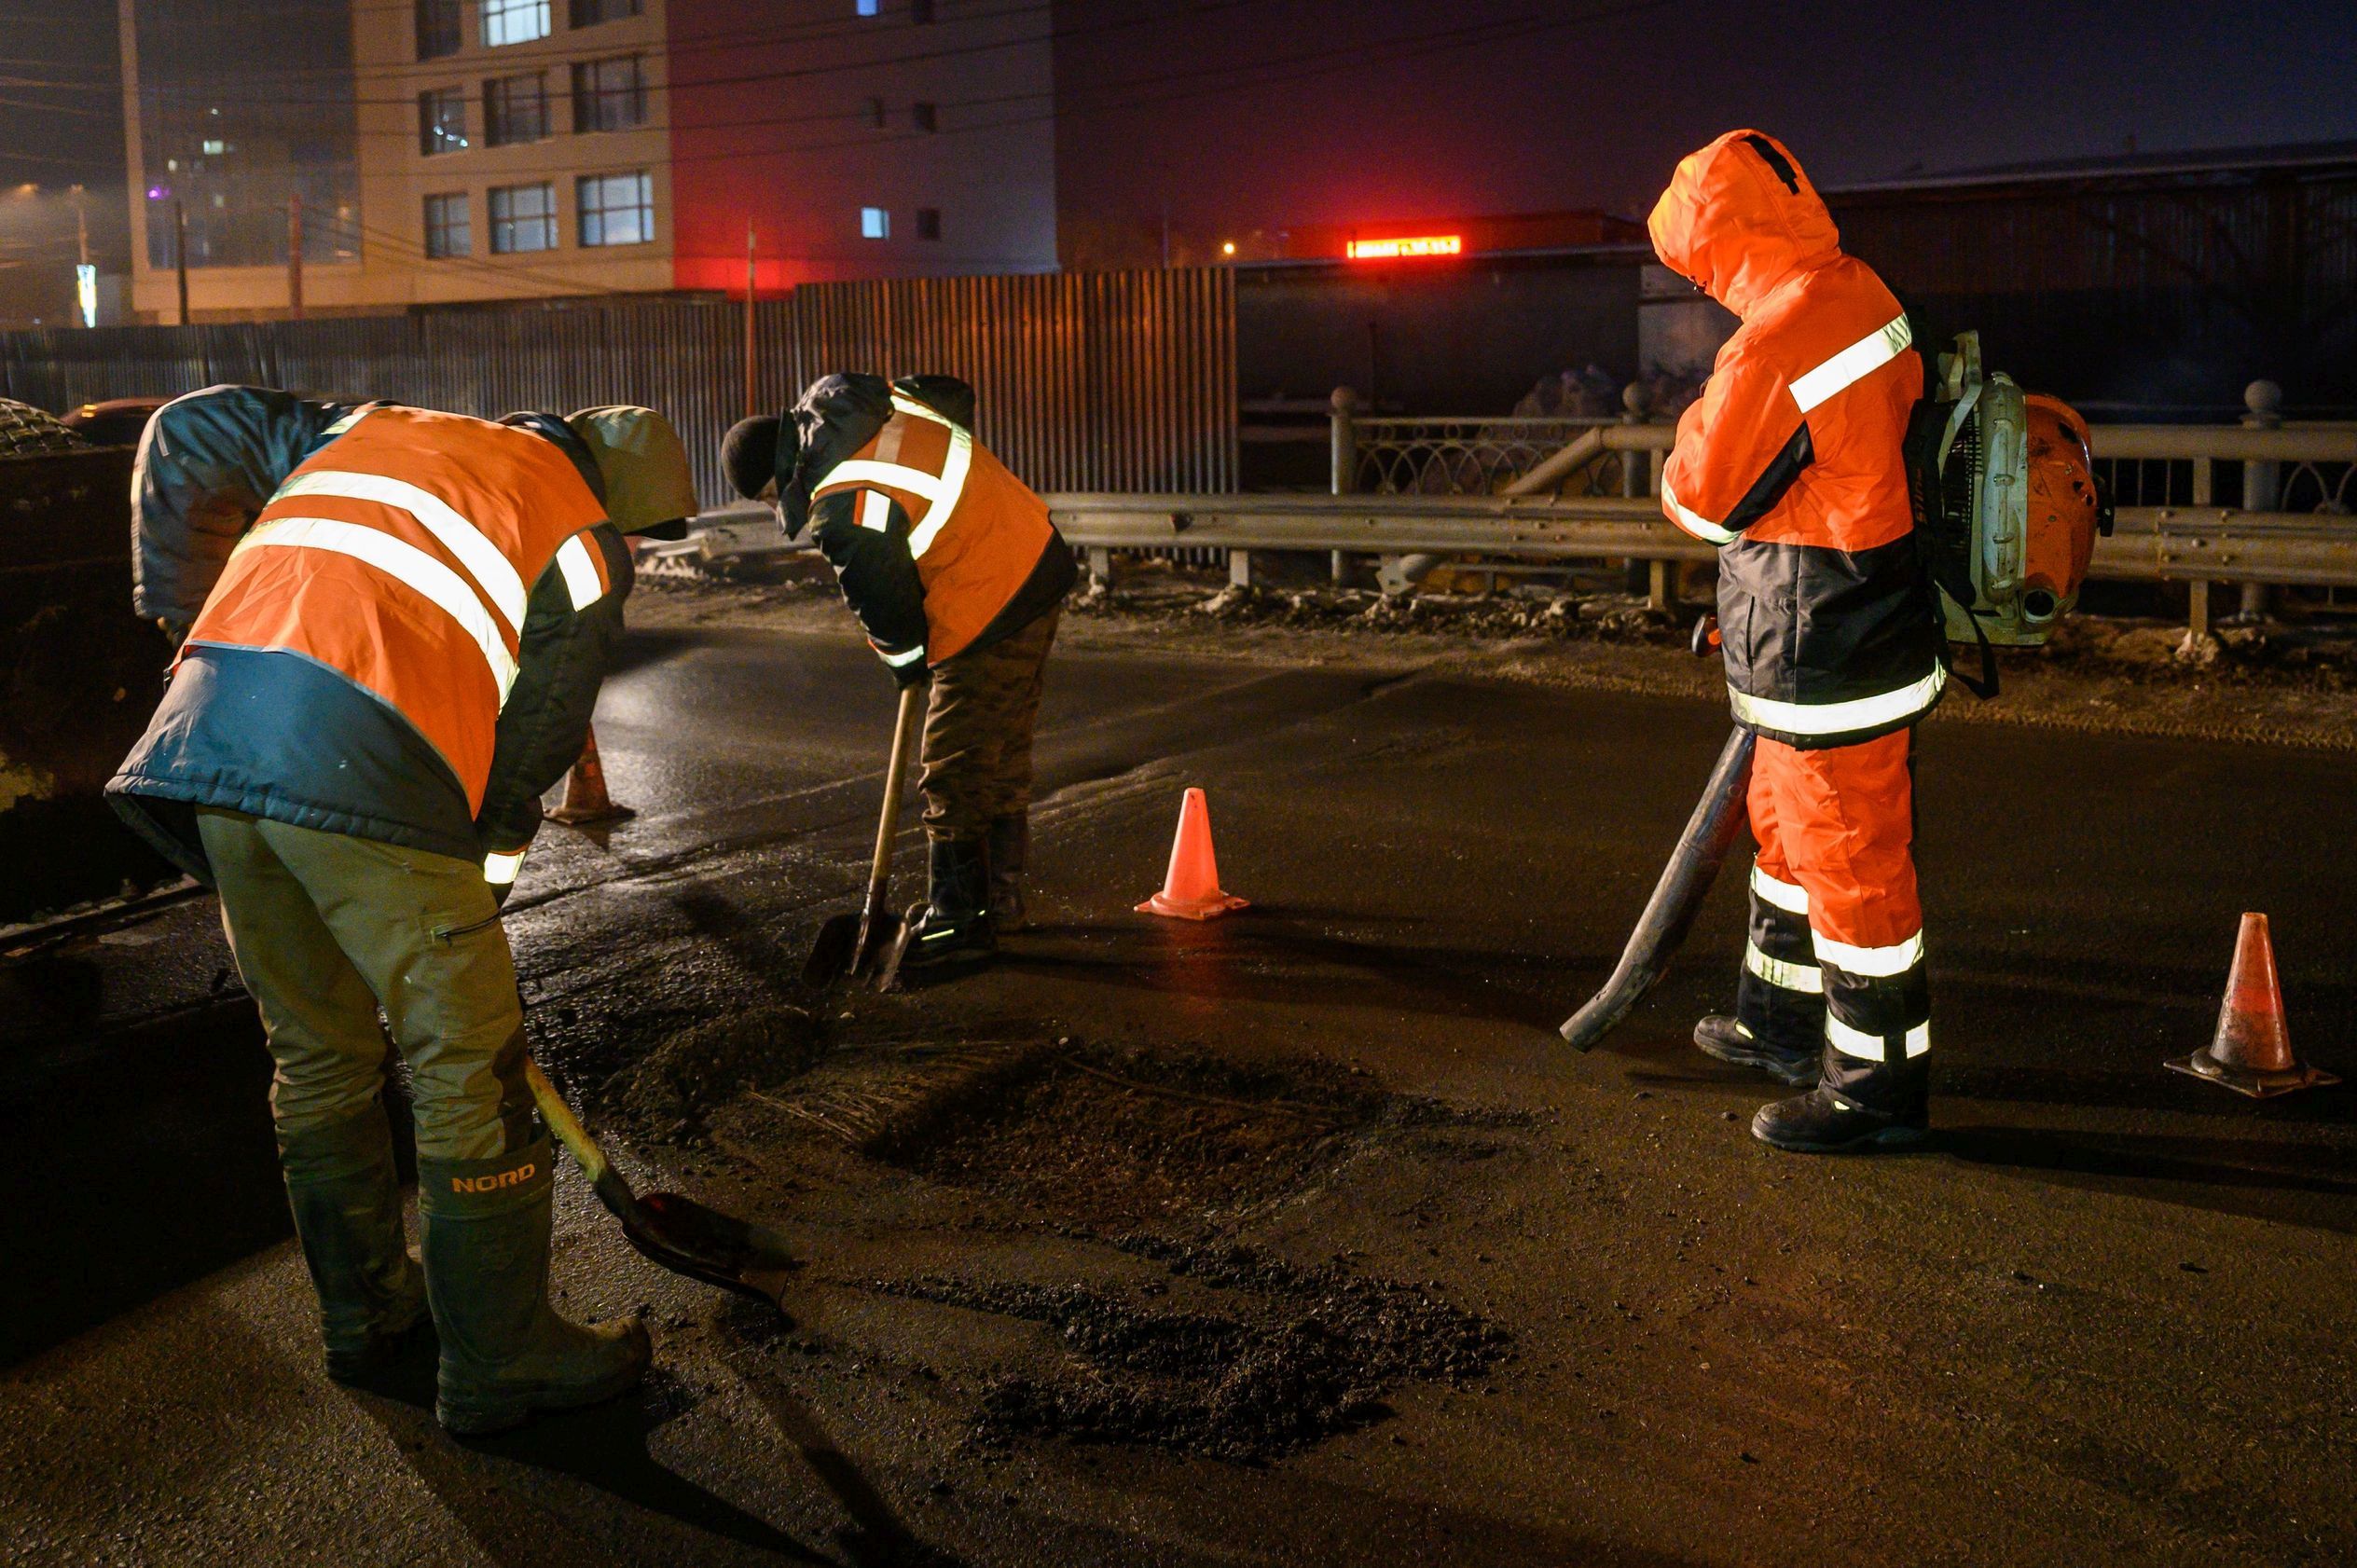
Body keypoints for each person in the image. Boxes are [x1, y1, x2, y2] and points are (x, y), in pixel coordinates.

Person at [108, 387, 698, 1431]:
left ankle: (369, 1314)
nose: (635, 552)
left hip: (204, 740)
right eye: (640, 533)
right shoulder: (580, 541)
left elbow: (189, 425)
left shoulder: (377, 427)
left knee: (320, 1055)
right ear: (617, 496)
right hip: (365, 767)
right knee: (468, 1066)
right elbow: (530, 752)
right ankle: (500, 1359)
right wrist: (486, 877)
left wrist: (185, 612)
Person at [1647, 131, 1945, 1153]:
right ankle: (1774, 1019)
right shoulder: (1854, 287)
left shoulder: (1780, 336)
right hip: (1841, 625)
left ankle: (1873, 1086)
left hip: (1824, 638)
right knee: (1785, 837)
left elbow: (1704, 495)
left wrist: (1681, 440)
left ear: (1716, 242)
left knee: (1849, 858)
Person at [722, 374, 1075, 970]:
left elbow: (885, 607)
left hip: (987, 600)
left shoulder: (841, 503)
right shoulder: (873, 402)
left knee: (955, 764)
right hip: (1036, 557)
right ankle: (999, 898)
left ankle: (959, 922)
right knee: (1001, 747)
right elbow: (955, 394)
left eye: (764, 499)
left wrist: (907, 664)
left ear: (775, 479)